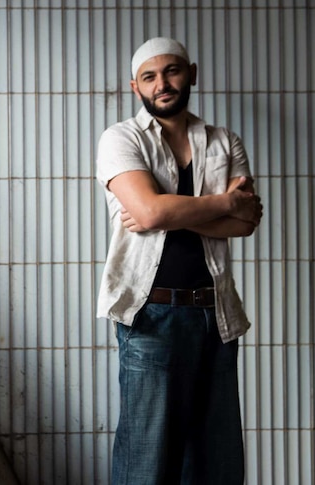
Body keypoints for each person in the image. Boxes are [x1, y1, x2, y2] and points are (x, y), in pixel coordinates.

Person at [95, 37, 263, 484]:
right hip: (150, 313)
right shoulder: (121, 138)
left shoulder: (224, 142)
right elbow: (150, 212)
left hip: (216, 314)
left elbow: (245, 220)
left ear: (191, 72)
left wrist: (167, 211)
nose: (162, 83)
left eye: (171, 71)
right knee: (147, 460)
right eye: (149, 77)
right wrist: (218, 204)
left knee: (216, 461)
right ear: (136, 87)